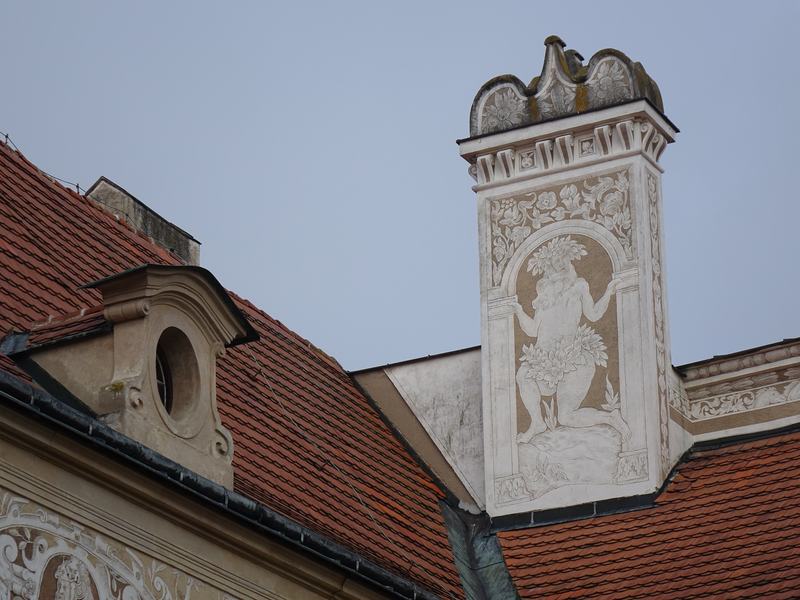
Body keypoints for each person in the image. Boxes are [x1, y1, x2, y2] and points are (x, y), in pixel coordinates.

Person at [514, 236, 630, 443]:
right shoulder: (545, 294)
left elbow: (593, 315)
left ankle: (610, 418)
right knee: (523, 375)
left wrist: (609, 292)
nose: (560, 268)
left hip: (572, 358)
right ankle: (537, 423)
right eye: (554, 265)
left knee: (566, 417)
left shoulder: (579, 286)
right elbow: (532, 330)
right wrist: (518, 310)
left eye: (563, 263)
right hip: (544, 361)